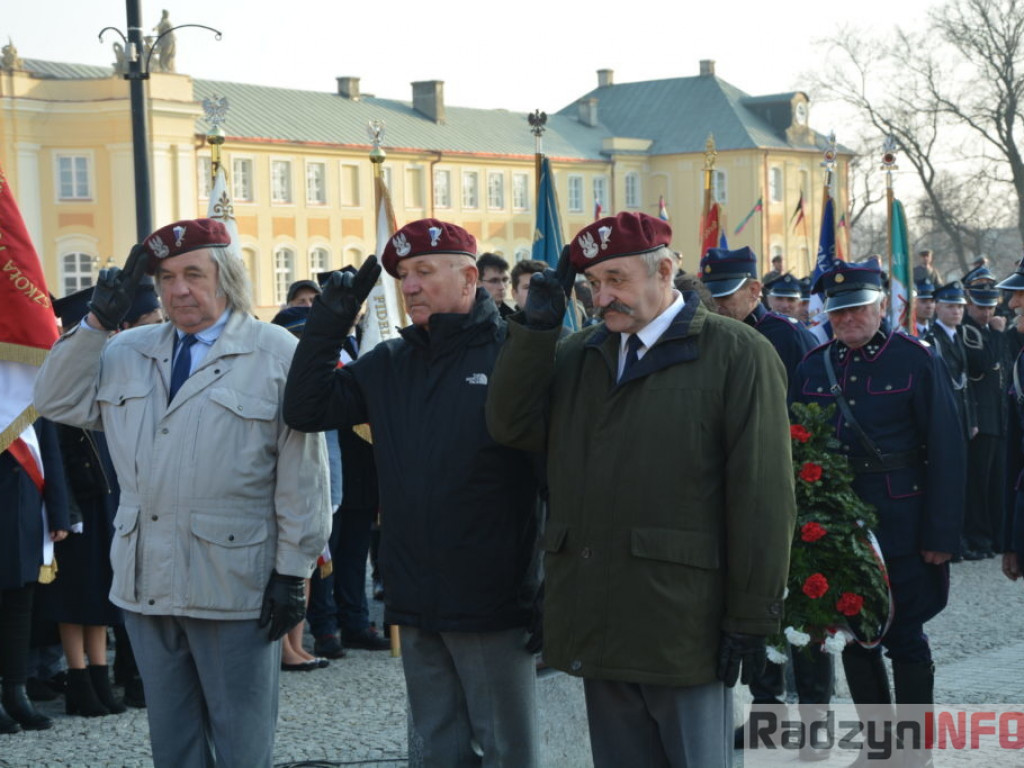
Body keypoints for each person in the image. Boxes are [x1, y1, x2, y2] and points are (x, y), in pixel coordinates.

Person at [486, 211, 795, 767]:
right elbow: (511, 426)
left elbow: (763, 498)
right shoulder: (580, 353)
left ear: (666, 270)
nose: (604, 298)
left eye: (617, 280)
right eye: (594, 285)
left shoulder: (737, 354)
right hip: (600, 616)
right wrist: (535, 333)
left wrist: (752, 618)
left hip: (684, 626)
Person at [33, 218, 331, 768]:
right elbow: (54, 400)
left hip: (235, 582)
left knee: (243, 742)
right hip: (147, 578)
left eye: (194, 274)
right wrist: (97, 321)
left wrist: (294, 571)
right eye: (166, 277)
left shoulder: (274, 351)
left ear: (228, 278)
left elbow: (303, 474)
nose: (179, 290)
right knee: (173, 744)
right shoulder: (129, 349)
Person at [283, 219, 542, 767]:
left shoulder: (514, 351)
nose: (409, 287)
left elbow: (554, 477)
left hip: (493, 598)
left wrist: (548, 586)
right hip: (416, 596)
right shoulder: (393, 362)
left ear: (469, 277)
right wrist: (330, 322)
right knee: (435, 750)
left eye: (424, 272)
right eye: (402, 276)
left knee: (506, 751)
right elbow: (306, 409)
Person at [791, 260, 964, 763]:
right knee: (852, 632)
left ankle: (914, 751)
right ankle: (878, 747)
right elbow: (795, 449)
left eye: (858, 308)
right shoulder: (812, 366)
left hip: (903, 522)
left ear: (882, 305)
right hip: (836, 527)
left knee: (905, 635)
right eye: (839, 311)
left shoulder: (915, 360)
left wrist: (942, 534)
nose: (848, 319)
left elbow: (948, 451)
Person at [0, 419, 70, 733]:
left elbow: (49, 456)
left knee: (19, 609)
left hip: (25, 512)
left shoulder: (29, 395)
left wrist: (59, 513)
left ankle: (16, 692)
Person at [961, 266, 1008, 560]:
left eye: (990, 306)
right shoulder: (968, 330)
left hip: (997, 416)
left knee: (996, 484)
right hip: (981, 416)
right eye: (981, 306)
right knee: (978, 483)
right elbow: (984, 363)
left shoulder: (987, 328)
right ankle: (978, 537)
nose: (986, 312)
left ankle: (993, 536)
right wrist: (998, 334)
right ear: (968, 302)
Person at [477, 251, 515, 317]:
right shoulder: (465, 316)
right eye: (494, 281)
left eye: (505, 280)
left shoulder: (513, 319)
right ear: (478, 283)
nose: (502, 287)